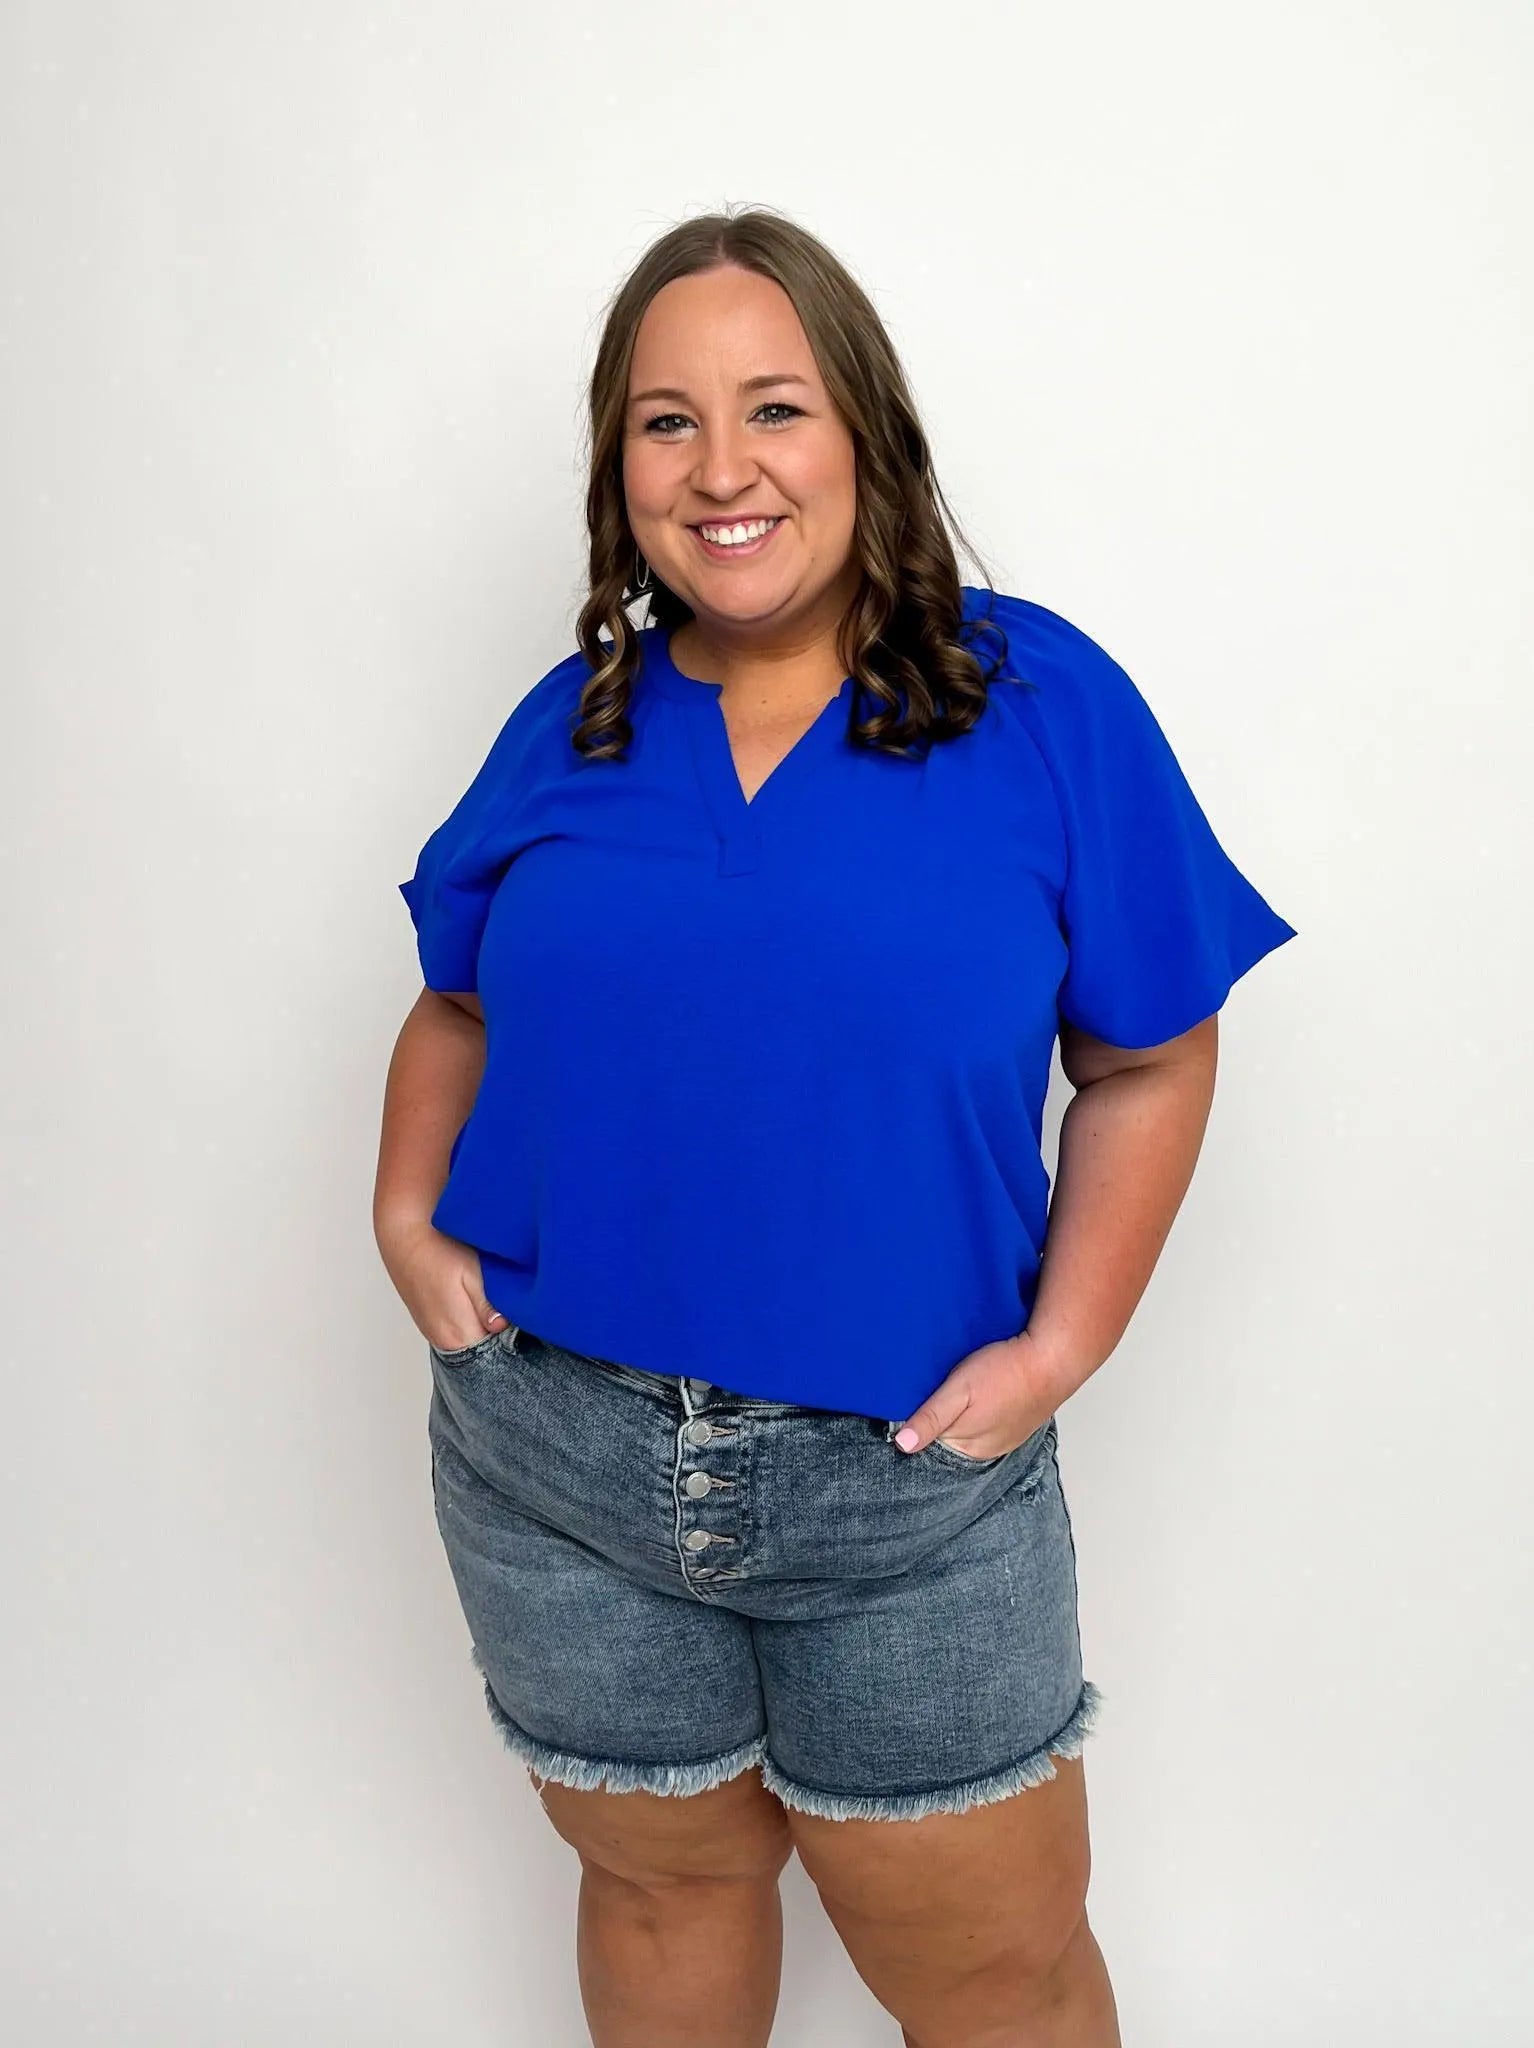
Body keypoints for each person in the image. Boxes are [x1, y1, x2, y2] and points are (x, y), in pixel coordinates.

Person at [373, 205, 1297, 2048]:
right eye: (665, 421)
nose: (720, 468)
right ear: (617, 467)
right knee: (658, 1893)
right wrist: (406, 1218)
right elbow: (455, 1001)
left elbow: (1149, 1055)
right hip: (553, 1464)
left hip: (905, 1483)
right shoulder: (575, 721)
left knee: (995, 1976)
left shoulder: (1038, 703)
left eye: (773, 408)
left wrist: (1063, 1344)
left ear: (866, 429)